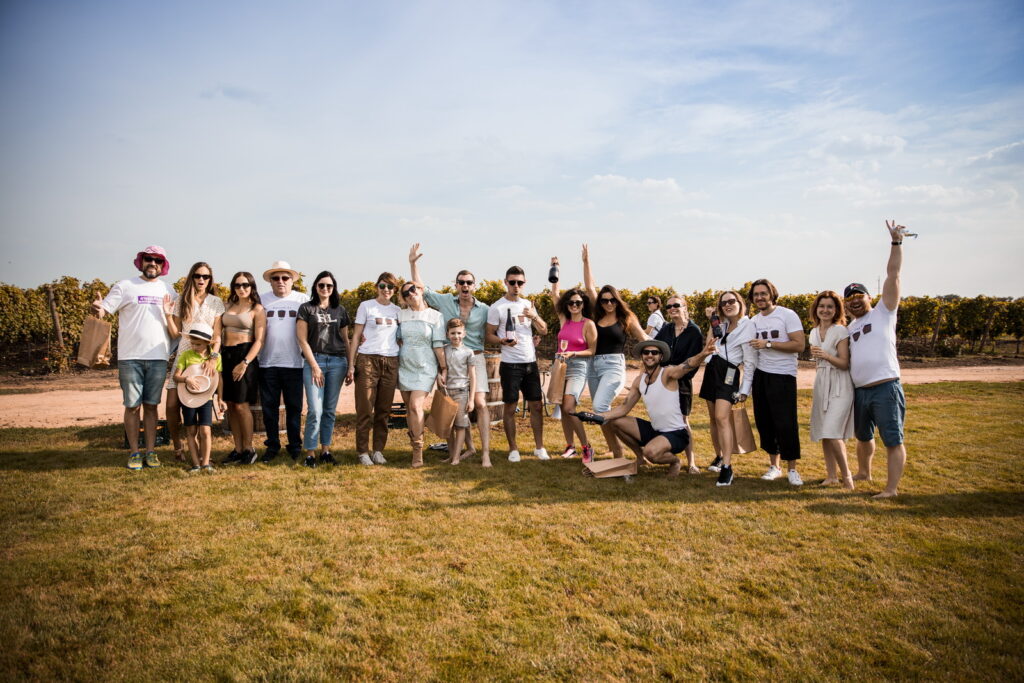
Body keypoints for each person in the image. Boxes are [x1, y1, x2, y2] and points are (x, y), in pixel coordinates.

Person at [91, 245, 177, 470]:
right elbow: (104, 310)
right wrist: (98, 308)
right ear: (141, 261)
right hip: (130, 358)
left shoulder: (169, 290)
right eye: (149, 259)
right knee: (132, 406)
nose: (153, 263)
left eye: (158, 260)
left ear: (163, 265)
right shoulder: (125, 286)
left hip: (158, 358)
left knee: (151, 406)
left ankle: (151, 451)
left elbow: (176, 324)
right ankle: (134, 452)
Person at [409, 244, 493, 467]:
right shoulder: (446, 300)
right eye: (461, 282)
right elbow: (422, 289)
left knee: (480, 403)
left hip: (475, 357)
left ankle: (485, 454)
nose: (465, 285)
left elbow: (496, 330)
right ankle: (465, 449)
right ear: (456, 285)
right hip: (450, 360)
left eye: (469, 282)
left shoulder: (485, 309)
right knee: (451, 405)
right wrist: (413, 263)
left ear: (474, 286)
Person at [845, 219, 910, 499]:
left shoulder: (884, 312)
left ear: (870, 297)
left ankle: (891, 489)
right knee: (863, 437)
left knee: (892, 438)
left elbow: (893, 275)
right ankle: (864, 472)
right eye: (849, 298)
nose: (854, 300)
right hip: (860, 391)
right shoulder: (850, 328)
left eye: (859, 295)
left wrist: (896, 243)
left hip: (885, 387)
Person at [601, 338, 714, 477]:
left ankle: (675, 461)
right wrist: (600, 416)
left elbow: (686, 366)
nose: (650, 355)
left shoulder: (667, 373)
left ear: (661, 357)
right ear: (642, 356)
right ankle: (641, 458)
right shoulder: (639, 380)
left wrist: (703, 354)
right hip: (656, 431)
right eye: (646, 352)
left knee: (651, 452)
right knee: (614, 422)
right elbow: (624, 408)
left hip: (676, 433)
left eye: (654, 352)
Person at [582, 244, 648, 458]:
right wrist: (586, 262)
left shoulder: (626, 318)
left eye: (612, 299)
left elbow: (644, 339)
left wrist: (664, 349)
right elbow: (590, 288)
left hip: (613, 365)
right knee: (602, 410)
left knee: (600, 407)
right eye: (604, 300)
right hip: (593, 366)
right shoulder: (597, 316)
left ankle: (625, 451)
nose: (608, 303)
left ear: (617, 300)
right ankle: (616, 450)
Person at [161, 261, 224, 464]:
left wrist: (213, 358)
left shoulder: (216, 302)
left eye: (205, 276)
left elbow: (217, 335)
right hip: (184, 355)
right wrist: (168, 315)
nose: (201, 279)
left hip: (205, 357)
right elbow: (175, 333)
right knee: (172, 405)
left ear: (210, 279)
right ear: (192, 277)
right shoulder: (182, 300)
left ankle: (201, 452)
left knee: (200, 400)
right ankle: (178, 447)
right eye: (198, 276)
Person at [486, 266, 549, 462]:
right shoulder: (497, 307)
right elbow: (488, 335)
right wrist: (502, 341)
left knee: (536, 405)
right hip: (510, 365)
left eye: (519, 282)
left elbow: (544, 330)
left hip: (530, 363)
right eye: (512, 282)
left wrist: (534, 316)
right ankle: (513, 449)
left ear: (524, 283)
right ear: (505, 282)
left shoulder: (528, 305)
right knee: (510, 407)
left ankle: (539, 447)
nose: (516, 286)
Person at [748, 278, 807, 486]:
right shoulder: (753, 321)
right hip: (761, 375)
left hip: (783, 376)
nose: (760, 297)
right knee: (765, 423)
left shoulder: (787, 315)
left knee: (786, 423)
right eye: (756, 294)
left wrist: (769, 343)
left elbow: (799, 345)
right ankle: (774, 466)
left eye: (763, 293)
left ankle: (792, 469)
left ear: (772, 294)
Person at [698, 290, 757, 487]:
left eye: (732, 301)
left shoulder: (748, 326)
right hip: (712, 370)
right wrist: (712, 322)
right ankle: (719, 456)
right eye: (724, 303)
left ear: (740, 303)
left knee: (722, 417)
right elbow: (709, 347)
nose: (728, 305)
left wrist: (744, 390)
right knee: (713, 419)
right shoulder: (721, 325)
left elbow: (750, 362)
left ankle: (727, 467)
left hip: (729, 372)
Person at [296, 271, 351, 468]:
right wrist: (314, 366)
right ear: (315, 287)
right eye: (321, 285)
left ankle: (325, 451)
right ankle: (310, 453)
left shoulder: (340, 310)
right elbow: (302, 340)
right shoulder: (306, 308)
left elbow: (346, 340)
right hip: (315, 361)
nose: (325, 288)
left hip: (337, 363)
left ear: (333, 288)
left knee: (329, 410)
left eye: (329, 285)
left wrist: (350, 365)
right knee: (314, 410)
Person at [347, 272, 402, 465]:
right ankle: (363, 452)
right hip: (367, 360)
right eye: (382, 286)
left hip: (391, 361)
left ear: (395, 290)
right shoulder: (366, 306)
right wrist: (351, 364)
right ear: (376, 287)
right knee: (364, 409)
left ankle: (378, 450)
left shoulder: (398, 310)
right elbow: (356, 336)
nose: (386, 290)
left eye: (390, 287)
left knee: (383, 410)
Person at [548, 257, 598, 462]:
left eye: (578, 302)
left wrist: (574, 354)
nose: (574, 305)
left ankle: (587, 447)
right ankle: (570, 446)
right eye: (571, 302)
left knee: (569, 407)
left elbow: (592, 350)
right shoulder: (564, 320)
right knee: (562, 407)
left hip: (578, 367)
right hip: (560, 366)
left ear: (583, 304)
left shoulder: (588, 324)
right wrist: (555, 268)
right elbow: (554, 294)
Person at [257, 260, 307, 463]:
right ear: (270, 281)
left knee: (294, 408)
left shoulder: (302, 300)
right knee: (269, 408)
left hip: (294, 363)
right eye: (275, 278)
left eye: (285, 277)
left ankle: (294, 445)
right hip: (267, 362)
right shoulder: (261, 300)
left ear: (292, 280)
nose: (280, 281)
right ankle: (272, 445)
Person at [396, 281, 446, 468]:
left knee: (416, 406)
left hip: (425, 367)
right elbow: (396, 339)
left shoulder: (435, 316)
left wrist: (443, 368)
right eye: (405, 293)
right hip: (404, 366)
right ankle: (413, 444)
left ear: (421, 290)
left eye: (412, 289)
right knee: (409, 409)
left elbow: (438, 345)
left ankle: (418, 450)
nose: (410, 294)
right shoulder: (401, 315)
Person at [808, 290, 855, 489]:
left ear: (836, 310)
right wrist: (820, 359)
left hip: (840, 385)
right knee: (824, 432)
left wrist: (826, 356)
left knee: (833, 431)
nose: (825, 310)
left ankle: (847, 477)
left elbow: (844, 363)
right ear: (816, 309)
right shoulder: (813, 332)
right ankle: (831, 476)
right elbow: (818, 362)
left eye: (830, 307)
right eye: (822, 306)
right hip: (822, 383)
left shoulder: (840, 331)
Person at [654, 295, 705, 473]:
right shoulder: (666, 329)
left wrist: (677, 372)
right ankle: (667, 457)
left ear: (685, 307)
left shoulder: (694, 331)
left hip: (682, 382)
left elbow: (694, 361)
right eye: (668, 307)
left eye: (676, 305)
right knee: (663, 419)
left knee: (683, 421)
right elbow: (654, 348)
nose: (672, 309)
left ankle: (691, 463)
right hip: (663, 381)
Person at [220, 271, 265, 465]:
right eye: (237, 285)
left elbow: (260, 340)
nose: (241, 288)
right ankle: (237, 449)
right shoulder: (227, 306)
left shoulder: (257, 309)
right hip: (226, 355)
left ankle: (249, 448)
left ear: (252, 286)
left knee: (241, 405)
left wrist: (245, 362)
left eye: (245, 285)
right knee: (230, 404)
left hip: (245, 356)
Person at [173, 322, 223, 473]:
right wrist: (186, 379)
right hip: (188, 399)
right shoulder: (186, 355)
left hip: (206, 399)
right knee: (191, 431)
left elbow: (219, 379)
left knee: (206, 431)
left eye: (198, 344)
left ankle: (205, 463)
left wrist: (220, 398)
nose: (194, 347)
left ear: (208, 343)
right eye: (192, 343)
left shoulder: (215, 358)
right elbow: (176, 376)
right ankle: (195, 464)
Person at [442, 319, 477, 465]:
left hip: (461, 392)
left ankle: (456, 457)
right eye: (452, 333)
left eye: (458, 333)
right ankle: (452, 455)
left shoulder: (468, 352)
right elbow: (440, 368)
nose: (456, 336)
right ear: (447, 334)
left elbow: (472, 376)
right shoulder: (444, 350)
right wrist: (439, 376)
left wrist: (471, 399)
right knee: (448, 425)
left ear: (464, 334)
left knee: (460, 425)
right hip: (446, 392)